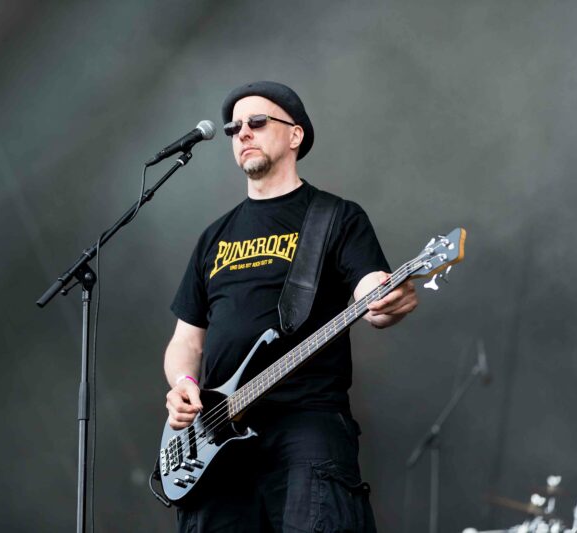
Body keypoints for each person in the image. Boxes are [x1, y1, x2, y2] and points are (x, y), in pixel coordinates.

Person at [163, 81, 418, 532]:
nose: (242, 132)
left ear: (295, 135)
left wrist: (384, 297)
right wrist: (183, 383)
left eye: (257, 122)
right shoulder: (214, 236)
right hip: (215, 438)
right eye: (234, 128)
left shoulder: (336, 217)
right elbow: (186, 340)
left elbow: (370, 288)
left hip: (306, 423)